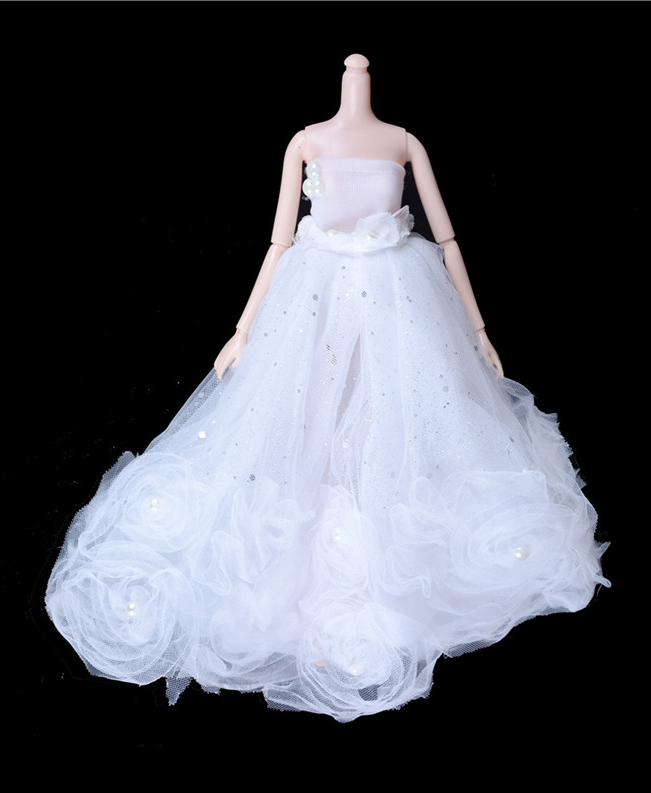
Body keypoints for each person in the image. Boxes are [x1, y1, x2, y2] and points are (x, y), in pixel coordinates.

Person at [46, 54, 609, 722]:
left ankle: (387, 581)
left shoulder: (404, 142)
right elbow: (279, 242)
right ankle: (303, 589)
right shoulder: (306, 141)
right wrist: (243, 330)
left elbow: (448, 236)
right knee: (304, 421)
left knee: (398, 420)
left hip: (400, 295)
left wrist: (478, 327)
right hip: (315, 296)